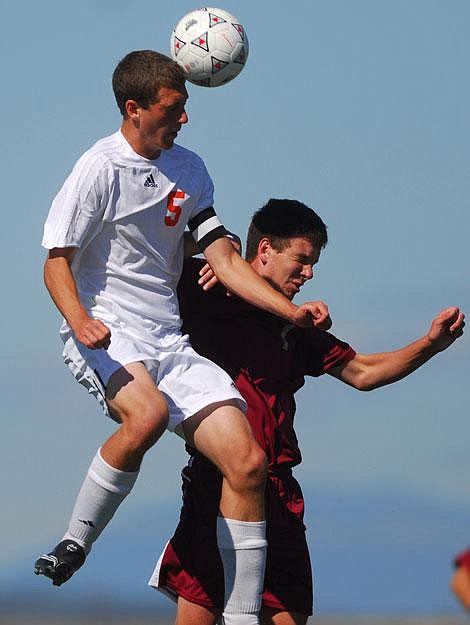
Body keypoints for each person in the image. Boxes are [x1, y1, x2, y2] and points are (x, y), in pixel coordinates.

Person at [34, 52, 332, 625]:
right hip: (108, 331)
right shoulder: (99, 168)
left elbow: (224, 255)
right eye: (174, 109)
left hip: (169, 341)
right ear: (134, 109)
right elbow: (55, 263)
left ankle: (243, 615)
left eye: (186, 105)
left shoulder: (190, 170)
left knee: (247, 461)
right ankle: (75, 540)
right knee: (143, 417)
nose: (185, 119)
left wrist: (288, 313)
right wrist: (80, 322)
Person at [149, 198, 465, 625]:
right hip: (218, 483)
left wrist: (430, 344)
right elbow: (145, 252)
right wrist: (214, 248)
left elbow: (362, 372)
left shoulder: (294, 324)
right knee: (201, 613)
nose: (309, 273)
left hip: (281, 493)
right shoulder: (207, 288)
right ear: (264, 251)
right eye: (301, 260)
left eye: (314, 263)